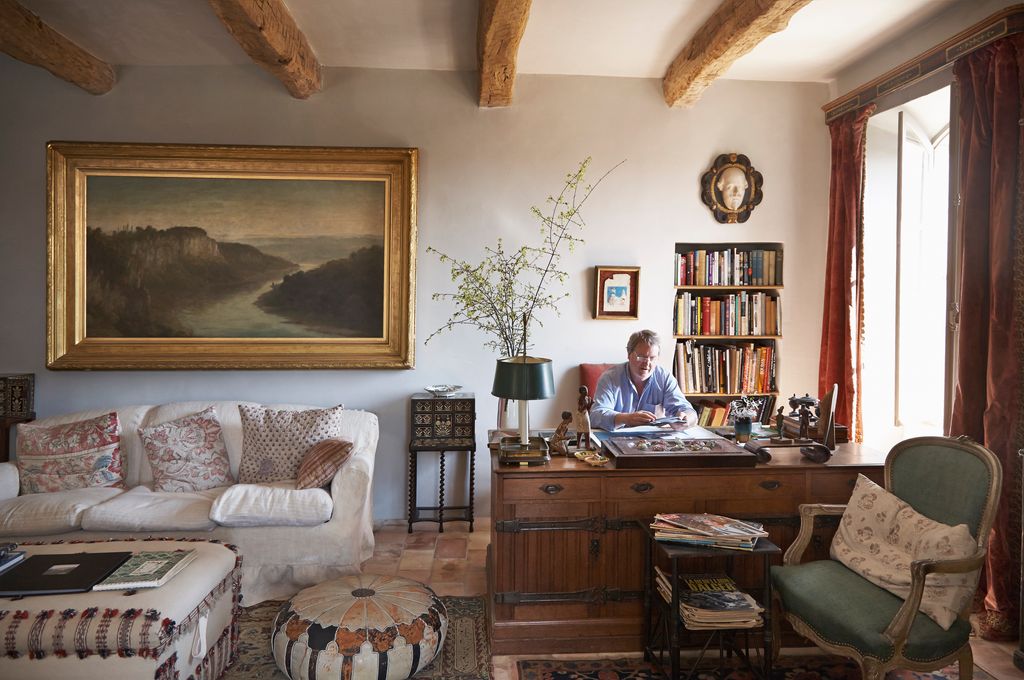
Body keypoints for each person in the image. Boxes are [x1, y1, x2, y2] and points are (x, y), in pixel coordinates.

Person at [590, 329, 698, 430]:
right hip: (616, 439)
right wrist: (626, 418)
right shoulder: (610, 378)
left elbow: (689, 411)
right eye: (641, 357)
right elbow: (595, 416)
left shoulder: (664, 378)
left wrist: (686, 419)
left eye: (652, 358)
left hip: (654, 443)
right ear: (629, 354)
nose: (647, 363)